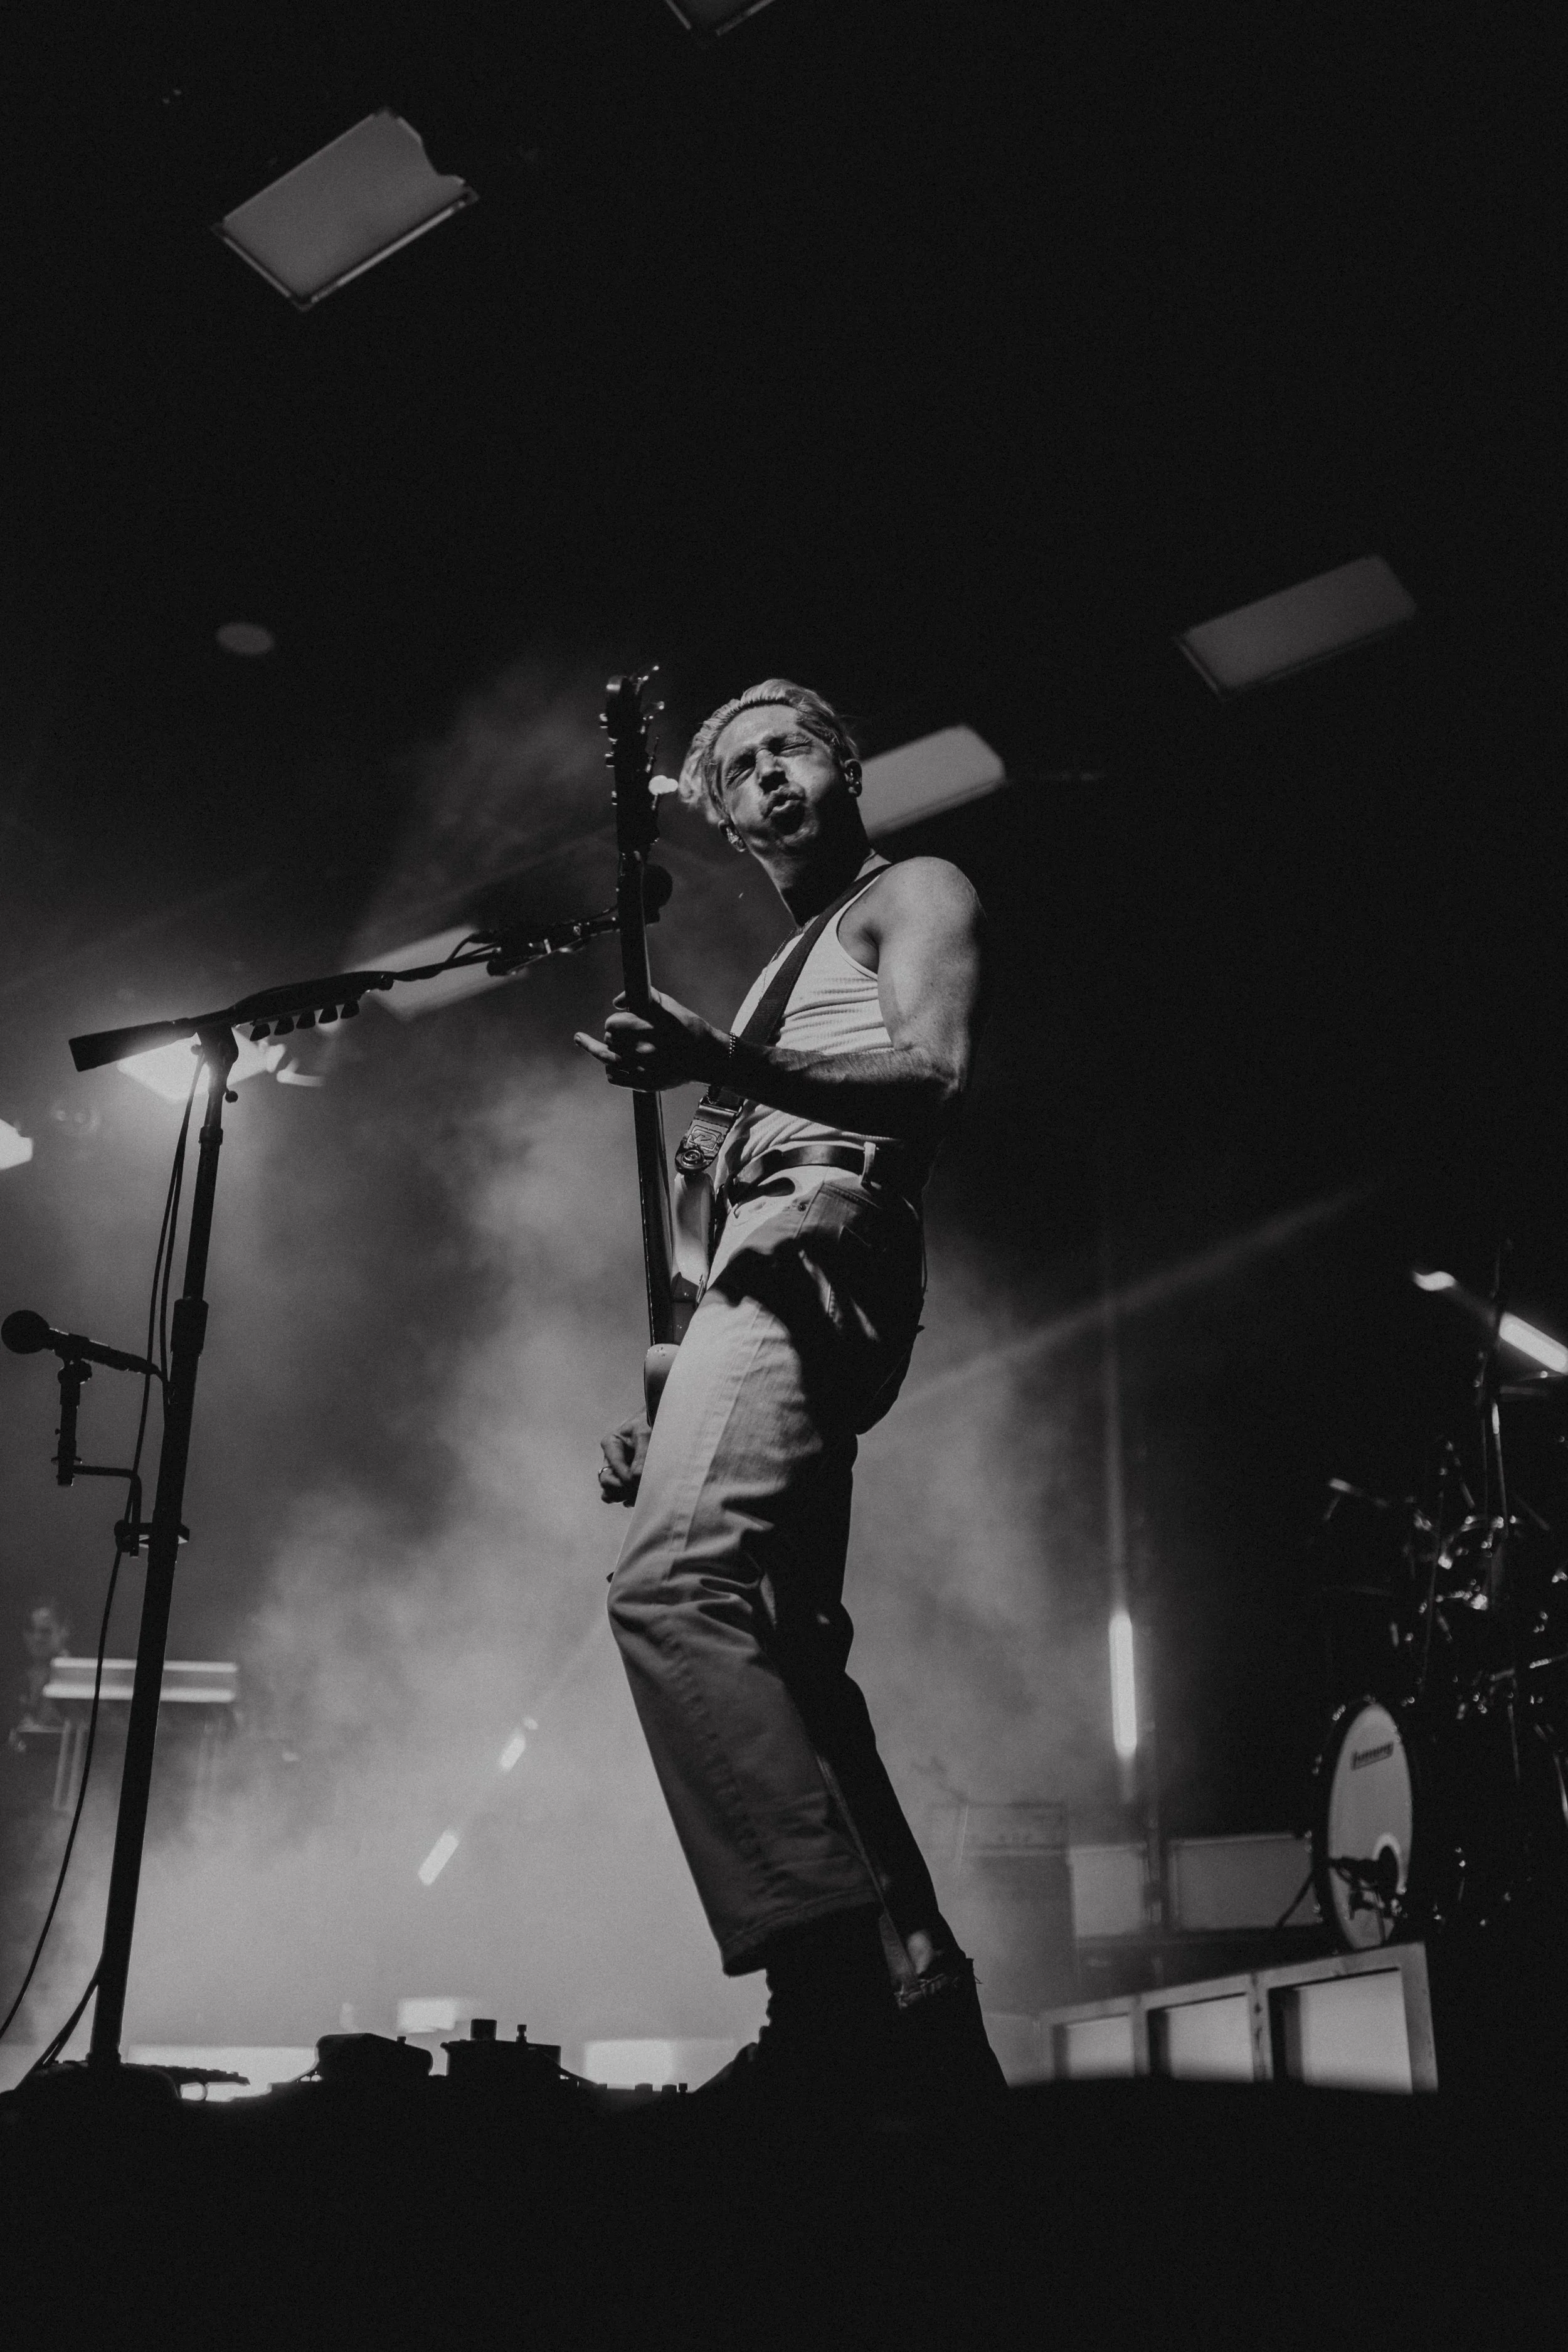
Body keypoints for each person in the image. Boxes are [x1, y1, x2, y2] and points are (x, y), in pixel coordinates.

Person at [575, 678, 1002, 2114]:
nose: (768, 778)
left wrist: (722, 1062)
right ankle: (920, 1996)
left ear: (844, 768)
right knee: (789, 1648)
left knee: (669, 1588)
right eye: (740, 769)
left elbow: (931, 1074)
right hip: (760, 1278)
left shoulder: (914, 890)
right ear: (729, 827)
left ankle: (820, 2000)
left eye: (789, 751)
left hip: (822, 1234)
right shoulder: (778, 967)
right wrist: (676, 1390)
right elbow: (708, 1234)